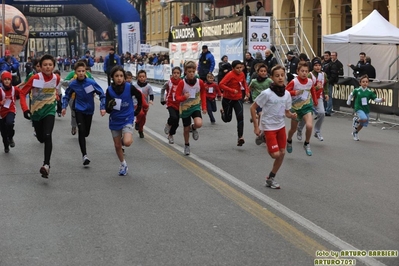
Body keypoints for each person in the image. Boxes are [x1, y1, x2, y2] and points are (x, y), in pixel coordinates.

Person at [250, 65, 297, 189]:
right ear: (272, 78)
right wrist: (256, 126)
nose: (280, 78)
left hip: (280, 126)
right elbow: (253, 107)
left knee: (282, 153)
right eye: (277, 76)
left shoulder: (287, 94)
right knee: (275, 155)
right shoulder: (267, 93)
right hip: (268, 127)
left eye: (282, 75)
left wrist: (291, 115)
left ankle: (271, 178)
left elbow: (286, 112)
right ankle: (263, 136)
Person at [19, 54, 61, 178]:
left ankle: (46, 165)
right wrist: (25, 109)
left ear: (53, 66)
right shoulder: (35, 78)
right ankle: (39, 135)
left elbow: (57, 91)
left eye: (50, 65)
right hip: (36, 112)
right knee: (41, 138)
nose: (48, 67)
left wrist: (58, 100)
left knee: (48, 135)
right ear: (40, 67)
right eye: (45, 65)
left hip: (49, 110)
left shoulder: (56, 78)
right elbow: (22, 93)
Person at [61, 61, 106, 166]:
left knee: (86, 133)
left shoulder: (91, 82)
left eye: (83, 71)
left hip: (89, 110)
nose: (81, 73)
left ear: (85, 71)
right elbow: (67, 95)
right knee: (81, 131)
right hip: (79, 109)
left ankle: (84, 146)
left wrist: (102, 107)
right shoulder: (73, 84)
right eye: (79, 71)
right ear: (75, 72)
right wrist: (64, 107)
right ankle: (84, 155)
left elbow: (102, 94)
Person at [105, 66, 143, 176]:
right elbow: (107, 109)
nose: (119, 78)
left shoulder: (129, 87)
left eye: (121, 76)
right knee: (117, 146)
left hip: (127, 117)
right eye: (116, 76)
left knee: (127, 142)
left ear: (124, 77)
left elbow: (139, 95)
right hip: (115, 119)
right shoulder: (109, 90)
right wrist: (110, 106)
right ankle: (123, 164)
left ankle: (124, 139)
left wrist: (138, 109)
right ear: (112, 77)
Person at [175, 61, 207, 155]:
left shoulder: (199, 82)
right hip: (185, 108)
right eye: (189, 71)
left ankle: (193, 128)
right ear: (185, 71)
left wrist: (204, 107)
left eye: (193, 71)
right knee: (185, 129)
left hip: (195, 106)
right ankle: (187, 144)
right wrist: (183, 97)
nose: (191, 73)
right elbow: (177, 97)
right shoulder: (182, 83)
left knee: (199, 123)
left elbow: (203, 93)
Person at [285, 62, 317, 156]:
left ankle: (307, 143)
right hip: (295, 108)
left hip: (307, 106)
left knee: (309, 126)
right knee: (293, 129)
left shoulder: (310, 81)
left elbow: (313, 90)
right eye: (302, 71)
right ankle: (289, 140)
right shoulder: (294, 82)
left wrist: (315, 100)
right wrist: (294, 92)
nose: (304, 73)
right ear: (297, 71)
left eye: (306, 71)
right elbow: (286, 92)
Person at [297, 58, 328, 141]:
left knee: (322, 113)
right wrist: (315, 87)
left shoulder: (324, 75)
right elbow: (305, 86)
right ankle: (299, 129)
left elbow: (325, 84)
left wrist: (326, 93)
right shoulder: (310, 75)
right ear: (313, 66)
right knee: (306, 116)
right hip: (308, 98)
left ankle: (317, 131)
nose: (318, 67)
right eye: (315, 65)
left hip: (319, 98)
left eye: (319, 65)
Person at [219, 60, 249, 146]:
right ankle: (223, 112)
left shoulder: (242, 74)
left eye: (241, 67)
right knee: (227, 119)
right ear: (233, 68)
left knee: (240, 117)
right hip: (227, 99)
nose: (239, 70)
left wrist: (247, 92)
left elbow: (244, 84)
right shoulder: (230, 75)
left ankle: (240, 137)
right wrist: (231, 90)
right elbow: (221, 84)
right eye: (237, 68)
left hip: (238, 98)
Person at [346, 75, 385, 141]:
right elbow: (351, 95)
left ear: (368, 83)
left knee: (363, 123)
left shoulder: (369, 92)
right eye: (363, 82)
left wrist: (381, 100)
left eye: (366, 82)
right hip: (358, 107)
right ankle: (356, 120)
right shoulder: (357, 90)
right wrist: (348, 101)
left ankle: (355, 132)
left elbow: (375, 99)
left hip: (365, 109)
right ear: (360, 83)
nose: (365, 83)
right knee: (364, 118)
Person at [160, 67, 182, 144]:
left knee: (176, 123)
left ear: (180, 74)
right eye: (174, 73)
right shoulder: (168, 82)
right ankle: (168, 124)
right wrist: (162, 98)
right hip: (170, 103)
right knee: (173, 117)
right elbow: (162, 89)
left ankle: (171, 134)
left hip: (179, 104)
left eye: (178, 73)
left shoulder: (182, 82)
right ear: (172, 74)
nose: (176, 75)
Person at [0, 71, 20, 153]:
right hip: (1, 112)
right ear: (2, 81)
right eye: (5, 79)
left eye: (8, 79)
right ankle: (6, 146)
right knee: (3, 132)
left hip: (10, 109)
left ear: (11, 80)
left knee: (10, 123)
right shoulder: (0, 90)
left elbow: (22, 93)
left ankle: (11, 137)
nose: (7, 81)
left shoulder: (14, 89)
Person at [133, 70, 153, 138]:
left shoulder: (148, 86)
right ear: (137, 77)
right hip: (136, 103)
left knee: (143, 118)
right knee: (140, 114)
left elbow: (151, 95)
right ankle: (137, 122)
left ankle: (141, 130)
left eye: (143, 76)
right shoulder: (134, 86)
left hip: (145, 104)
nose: (142, 78)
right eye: (140, 77)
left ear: (146, 77)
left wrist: (151, 100)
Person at [325, 51, 343, 116]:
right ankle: (326, 109)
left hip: (332, 81)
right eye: (331, 55)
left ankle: (328, 110)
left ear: (336, 56)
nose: (332, 56)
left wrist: (330, 80)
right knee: (327, 95)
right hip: (328, 80)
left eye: (333, 55)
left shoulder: (338, 64)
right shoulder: (329, 63)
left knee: (329, 95)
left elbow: (340, 73)